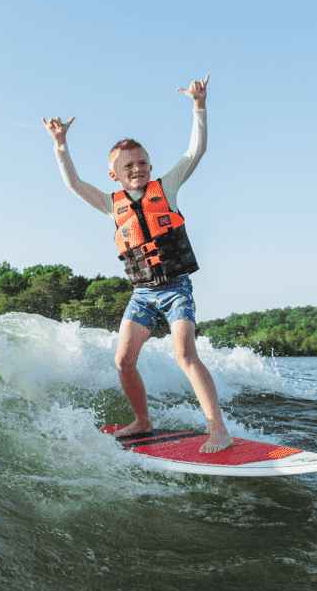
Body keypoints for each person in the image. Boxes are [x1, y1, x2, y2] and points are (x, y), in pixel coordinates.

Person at [42, 76, 233, 453]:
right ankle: (142, 420)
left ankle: (218, 430)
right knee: (123, 361)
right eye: (128, 164)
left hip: (176, 289)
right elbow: (74, 184)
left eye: (143, 162)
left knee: (185, 354)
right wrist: (60, 145)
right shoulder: (110, 204)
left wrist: (198, 106)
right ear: (114, 175)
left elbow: (195, 151)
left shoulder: (168, 188)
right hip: (142, 294)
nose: (138, 168)